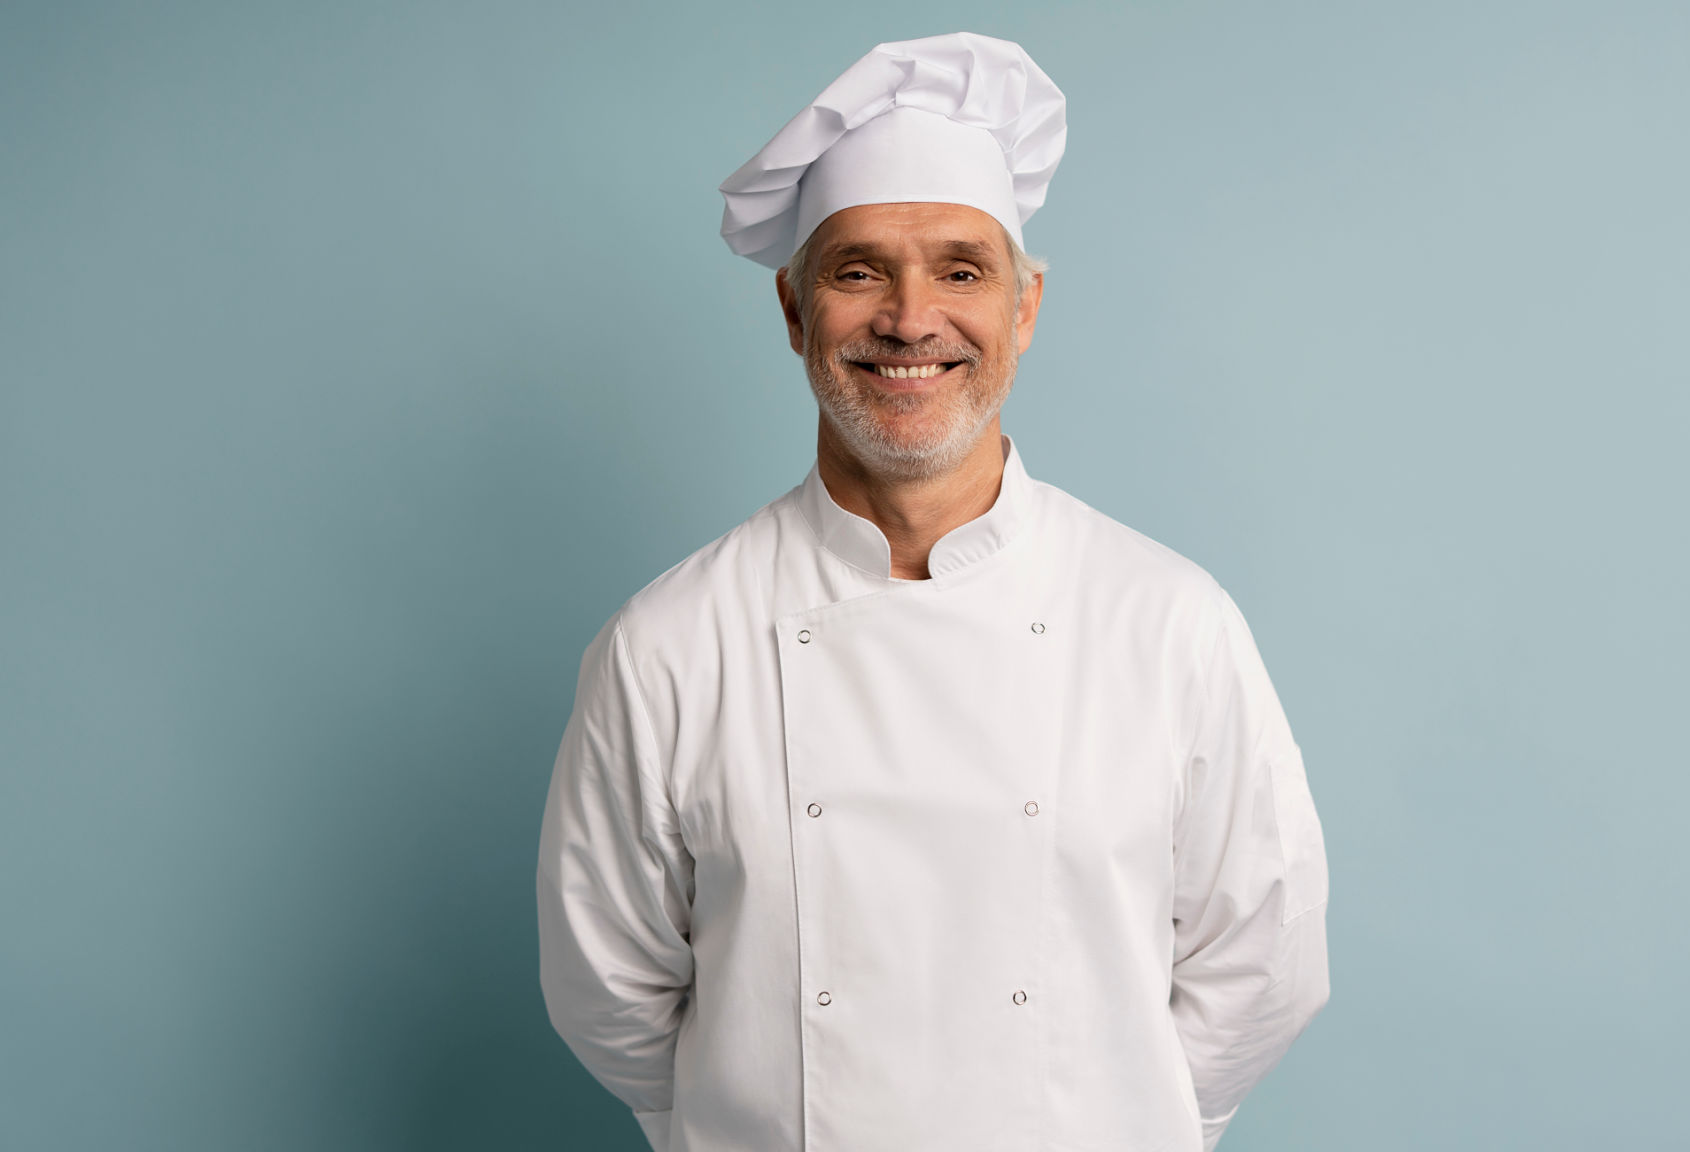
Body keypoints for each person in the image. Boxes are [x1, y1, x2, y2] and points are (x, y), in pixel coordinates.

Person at [537, 32, 1328, 1152]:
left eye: (961, 270)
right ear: (792, 312)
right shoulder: (668, 645)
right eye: (858, 270)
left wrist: (1120, 1118)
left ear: (1025, 308)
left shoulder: (1166, 622)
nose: (911, 319)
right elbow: (608, 993)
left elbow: (1265, 965)